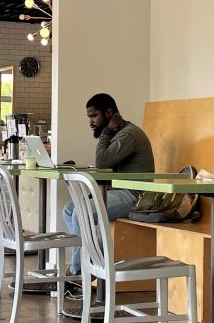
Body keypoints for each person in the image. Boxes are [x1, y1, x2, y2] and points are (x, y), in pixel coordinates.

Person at [62, 93, 154, 276]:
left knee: (81, 213)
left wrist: (105, 133)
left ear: (109, 112)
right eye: (89, 117)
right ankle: (92, 256)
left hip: (135, 195)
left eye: (94, 116)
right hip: (118, 191)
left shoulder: (128, 134)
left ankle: (78, 270)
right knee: (70, 209)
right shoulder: (119, 133)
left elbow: (102, 162)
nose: (91, 122)